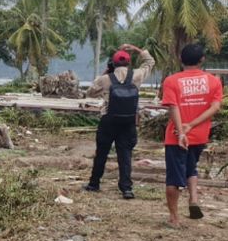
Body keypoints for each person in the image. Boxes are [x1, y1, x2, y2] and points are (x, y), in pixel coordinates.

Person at [162, 44, 222, 227]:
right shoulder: (213, 81)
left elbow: (173, 107)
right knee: (191, 167)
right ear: (202, 59)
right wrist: (193, 125)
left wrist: (182, 131)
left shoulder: (172, 81)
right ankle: (193, 199)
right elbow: (215, 107)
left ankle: (174, 218)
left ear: (180, 59)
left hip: (176, 136)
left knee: (174, 177)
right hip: (200, 135)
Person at [85, 44, 156, 199]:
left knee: (101, 153)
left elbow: (90, 92)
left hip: (108, 120)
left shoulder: (105, 79)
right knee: (125, 155)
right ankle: (126, 188)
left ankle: (94, 183)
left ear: (113, 63)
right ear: (129, 63)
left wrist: (106, 72)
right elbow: (150, 62)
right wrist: (137, 49)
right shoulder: (136, 75)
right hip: (129, 121)